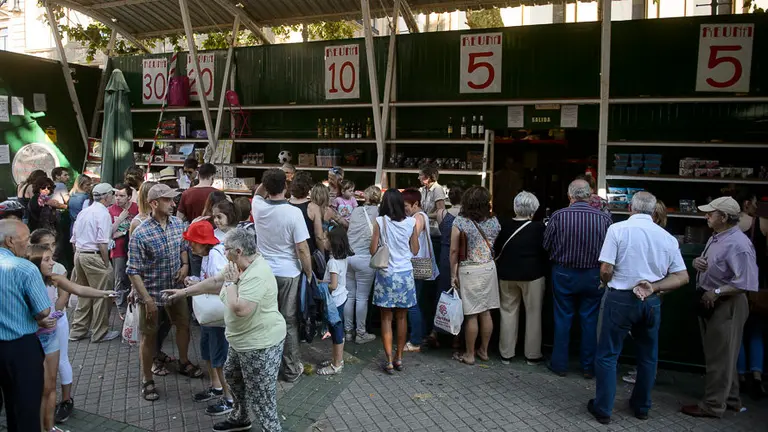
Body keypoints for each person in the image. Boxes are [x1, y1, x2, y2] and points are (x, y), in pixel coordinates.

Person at [162, 228, 286, 432]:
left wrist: (230, 283)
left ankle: (272, 429)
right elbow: (215, 281)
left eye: (225, 248)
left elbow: (240, 308)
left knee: (261, 396)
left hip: (260, 345)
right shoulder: (235, 264)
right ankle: (241, 418)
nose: (222, 251)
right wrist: (183, 292)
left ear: (238, 251)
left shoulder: (258, 274)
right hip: (240, 342)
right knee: (233, 378)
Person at [588, 192, 689, 424]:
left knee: (608, 355)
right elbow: (682, 277)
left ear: (630, 208)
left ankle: (603, 408)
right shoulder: (667, 238)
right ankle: (641, 406)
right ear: (654, 211)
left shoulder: (617, 230)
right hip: (651, 302)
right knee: (647, 357)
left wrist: (606, 281)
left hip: (619, 298)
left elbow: (605, 268)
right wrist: (654, 287)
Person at [681, 196, 760, 418]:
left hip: (728, 305)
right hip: (714, 303)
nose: (707, 216)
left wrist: (716, 292)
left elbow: (746, 283)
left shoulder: (739, 244)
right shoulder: (719, 237)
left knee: (719, 358)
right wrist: (698, 262)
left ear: (724, 217)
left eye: (711, 213)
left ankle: (713, 405)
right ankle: (731, 399)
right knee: (723, 356)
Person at [27, 244, 117, 432]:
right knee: (38, 388)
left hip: (50, 337)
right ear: (34, 263)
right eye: (47, 259)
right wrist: (39, 324)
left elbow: (80, 289)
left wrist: (105, 293)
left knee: (50, 387)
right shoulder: (25, 283)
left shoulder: (55, 279)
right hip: (31, 339)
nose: (53, 263)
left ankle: (49, 427)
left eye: (52, 257)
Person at [127, 184, 200, 402]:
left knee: (183, 324)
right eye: (168, 200)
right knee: (149, 336)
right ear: (154, 203)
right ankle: (147, 379)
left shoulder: (178, 224)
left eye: (173, 199)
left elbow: (183, 247)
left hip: (175, 290)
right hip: (151, 292)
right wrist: (147, 299)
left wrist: (185, 265)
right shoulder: (141, 233)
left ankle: (184, 361)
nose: (173, 203)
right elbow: (132, 271)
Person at [543, 179, 612, 378]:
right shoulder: (604, 219)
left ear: (569, 195)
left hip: (564, 273)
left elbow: (546, 244)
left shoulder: (558, 216)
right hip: (593, 274)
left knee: (563, 318)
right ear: (590, 195)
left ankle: (559, 364)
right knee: (590, 320)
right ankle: (588, 367)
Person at [251, 169, 312, 383]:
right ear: (285, 187)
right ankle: (291, 369)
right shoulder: (293, 213)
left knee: (264, 319)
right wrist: (309, 272)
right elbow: (302, 249)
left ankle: (265, 367)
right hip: (288, 274)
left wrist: (265, 183)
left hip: (263, 272)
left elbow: (258, 193)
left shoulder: (257, 206)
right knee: (287, 322)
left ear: (266, 187)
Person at [0, 219, 53, 432]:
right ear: (10, 241)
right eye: (26, 239)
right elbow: (43, 311)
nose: (29, 244)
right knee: (27, 408)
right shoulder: (25, 269)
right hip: (20, 347)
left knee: (8, 406)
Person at [180, 222, 234, 416]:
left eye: (193, 242)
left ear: (203, 243)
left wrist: (197, 286)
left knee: (219, 356)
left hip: (218, 317)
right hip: (209, 315)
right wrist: (196, 283)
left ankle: (230, 399)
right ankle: (216, 387)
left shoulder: (216, 256)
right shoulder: (207, 255)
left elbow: (223, 284)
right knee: (209, 353)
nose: (190, 246)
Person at [495, 191, 548, 366]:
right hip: (532, 275)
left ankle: (506, 353)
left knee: (507, 311)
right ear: (533, 209)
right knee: (534, 314)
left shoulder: (502, 224)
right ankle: (532, 355)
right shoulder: (539, 228)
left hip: (506, 274)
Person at [370, 189, 420, 374]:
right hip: (405, 274)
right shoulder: (411, 223)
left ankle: (389, 360)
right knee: (402, 317)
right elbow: (415, 249)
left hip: (386, 274)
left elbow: (372, 249)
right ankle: (399, 357)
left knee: (386, 318)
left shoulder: (380, 222)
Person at [450, 186, 500, 365]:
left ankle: (469, 354)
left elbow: (454, 250)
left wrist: (452, 274)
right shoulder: (494, 222)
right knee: (486, 312)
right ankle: (484, 351)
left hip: (469, 269)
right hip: (488, 268)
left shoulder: (460, 222)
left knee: (471, 315)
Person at [68, 183, 120, 343]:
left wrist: (78, 256)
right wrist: (106, 264)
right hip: (94, 256)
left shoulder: (85, 212)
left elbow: (74, 239)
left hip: (80, 254)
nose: (114, 196)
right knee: (102, 295)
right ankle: (100, 332)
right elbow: (103, 243)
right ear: (106, 197)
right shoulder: (103, 214)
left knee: (84, 294)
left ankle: (78, 331)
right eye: (112, 194)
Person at [733, 189, 768, 399]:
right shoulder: (762, 224)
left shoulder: (731, 226)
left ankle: (739, 376)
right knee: (755, 332)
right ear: (746, 203)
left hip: (736, 285)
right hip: (758, 284)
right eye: (756, 203)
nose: (757, 207)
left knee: (737, 333)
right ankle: (756, 375)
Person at [402, 188, 439, 353]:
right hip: (420, 265)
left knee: (412, 304)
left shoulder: (418, 217)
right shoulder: (418, 216)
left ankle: (415, 340)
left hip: (416, 265)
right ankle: (421, 334)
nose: (404, 208)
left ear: (415, 203)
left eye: (406, 205)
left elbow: (412, 237)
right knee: (418, 303)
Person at [426, 185, 463, 348]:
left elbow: (429, 215)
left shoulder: (442, 214)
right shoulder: (465, 216)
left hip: (444, 254)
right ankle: (456, 336)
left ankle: (435, 331)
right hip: (459, 255)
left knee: (441, 293)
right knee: (458, 295)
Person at [343, 185, 381, 344]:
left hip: (349, 257)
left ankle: (347, 332)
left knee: (349, 296)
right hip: (365, 259)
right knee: (362, 298)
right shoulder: (379, 214)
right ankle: (361, 333)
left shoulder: (356, 211)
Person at [317, 227, 354, 375]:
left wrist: (320, 284)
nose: (323, 241)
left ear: (333, 243)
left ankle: (336, 364)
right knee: (338, 330)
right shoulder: (342, 258)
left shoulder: (332, 262)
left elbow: (333, 285)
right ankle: (336, 358)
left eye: (326, 239)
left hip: (335, 301)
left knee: (336, 331)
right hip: (342, 297)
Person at [108, 183, 139, 314]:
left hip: (133, 249)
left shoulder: (136, 208)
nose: (118, 198)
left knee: (132, 276)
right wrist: (120, 220)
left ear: (129, 197)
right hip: (118, 249)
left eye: (122, 196)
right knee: (119, 277)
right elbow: (109, 233)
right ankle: (120, 307)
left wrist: (123, 232)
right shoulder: (111, 210)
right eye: (116, 195)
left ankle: (133, 303)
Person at [419, 163, 446, 236]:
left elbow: (441, 212)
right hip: (424, 229)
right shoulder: (423, 190)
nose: (418, 178)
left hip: (434, 231)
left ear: (428, 177)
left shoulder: (437, 189)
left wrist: (425, 215)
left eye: (421, 175)